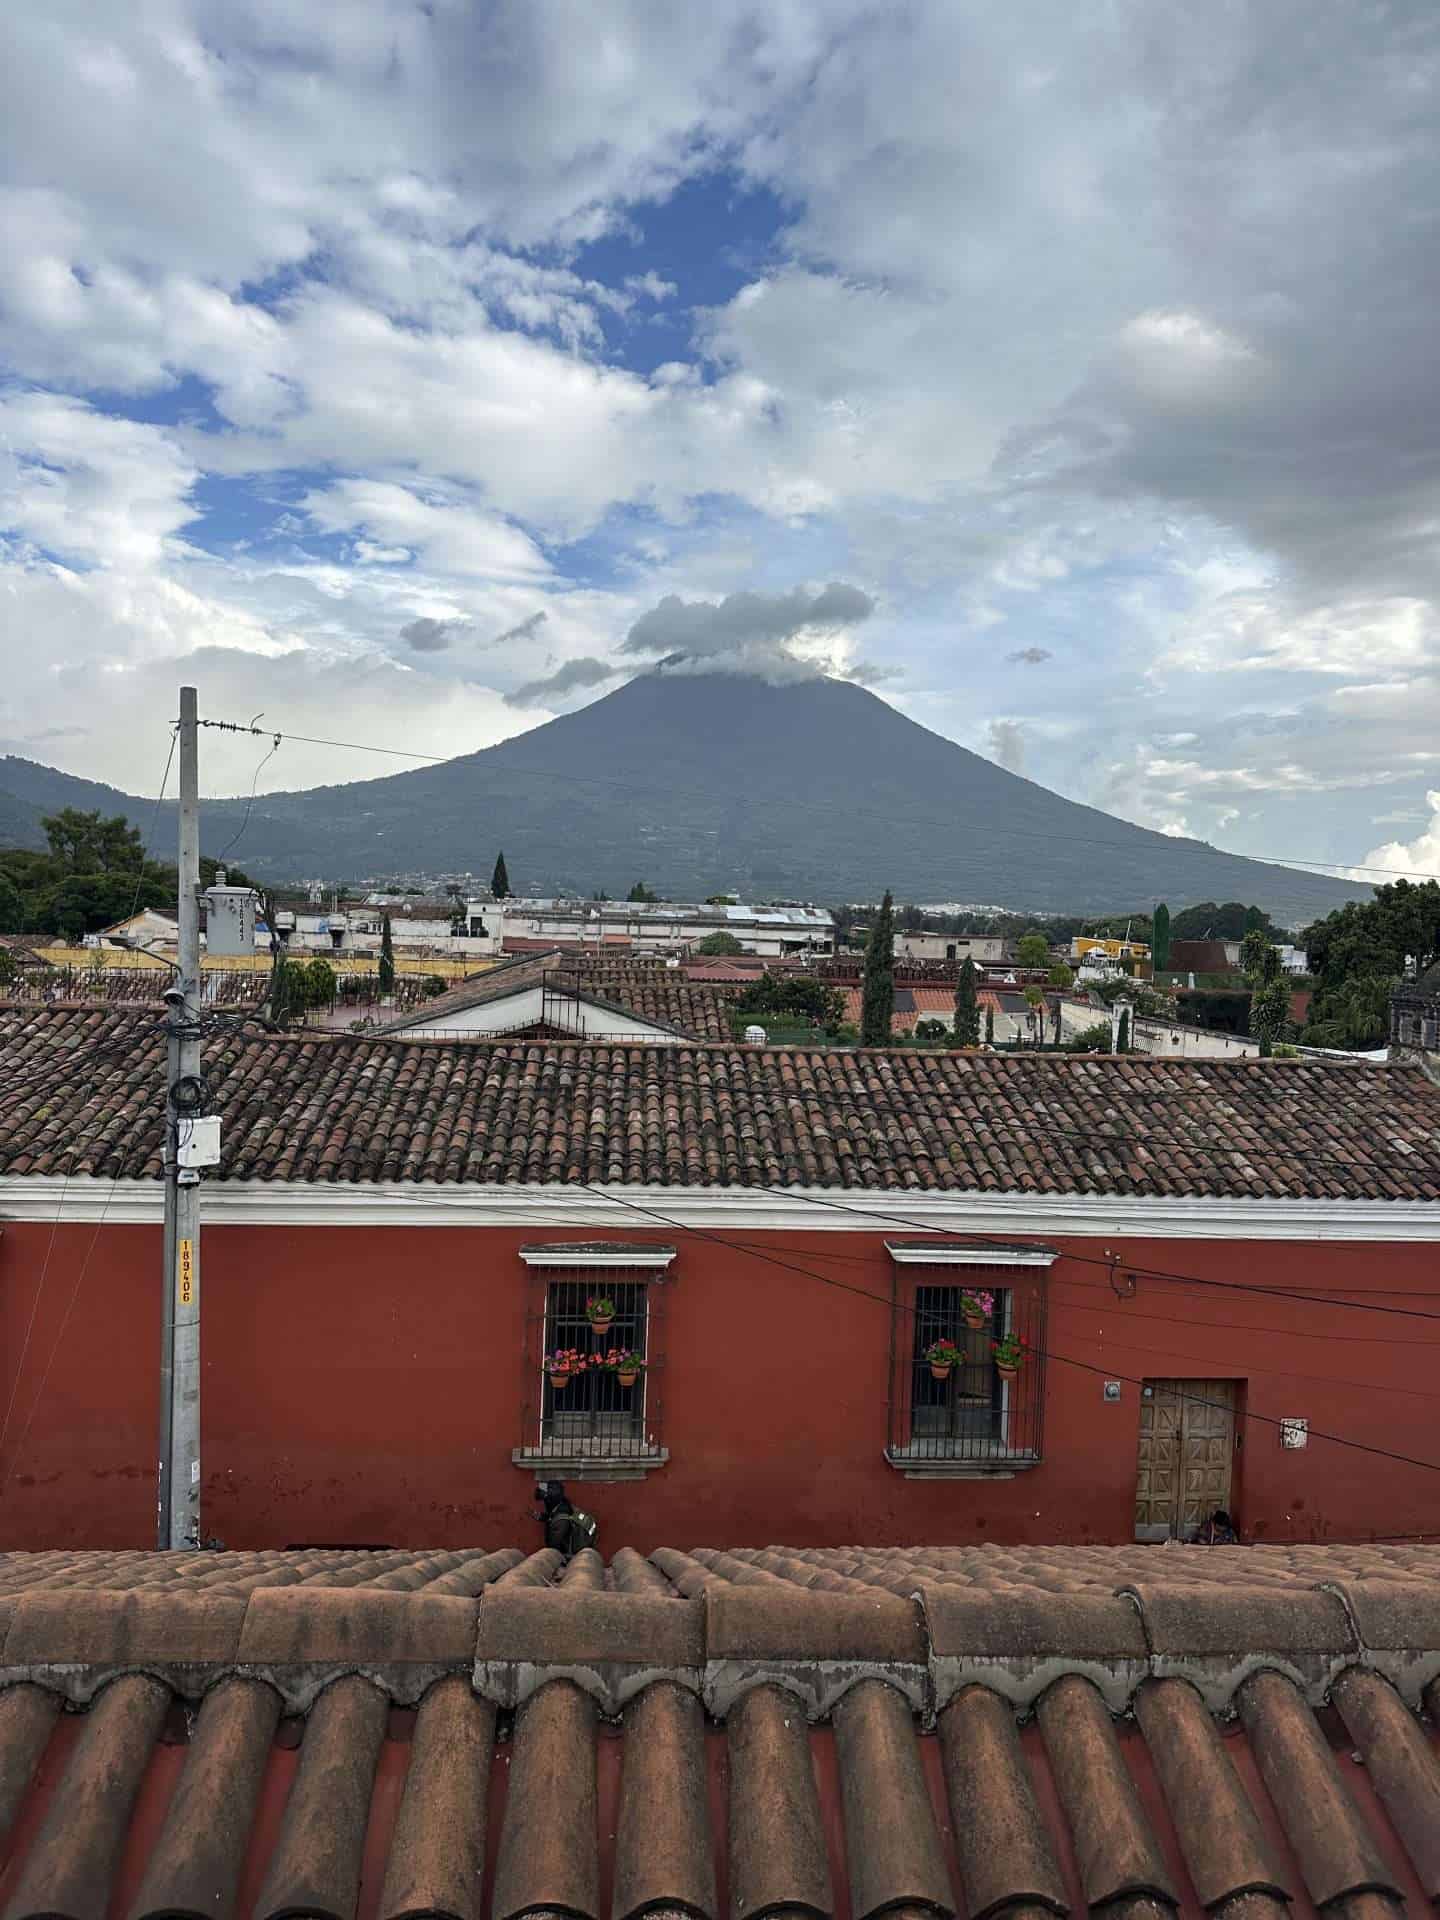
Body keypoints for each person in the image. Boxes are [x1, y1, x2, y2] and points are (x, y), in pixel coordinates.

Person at [534, 1480, 598, 1558]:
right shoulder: (563, 1505)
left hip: (568, 1558)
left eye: (545, 1497)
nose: (544, 1500)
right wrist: (544, 1517)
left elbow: (552, 1546)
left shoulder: (562, 1519)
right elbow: (554, 1516)